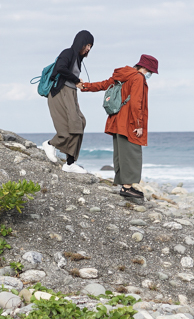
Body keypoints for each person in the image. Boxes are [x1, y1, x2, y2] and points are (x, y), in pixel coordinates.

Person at [80, 54, 159, 199]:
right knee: (132, 154)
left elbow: (103, 85)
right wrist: (138, 124)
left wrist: (85, 86)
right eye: (151, 72)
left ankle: (124, 185)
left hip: (116, 121)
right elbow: (136, 103)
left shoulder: (123, 75)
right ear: (145, 68)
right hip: (129, 123)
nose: (150, 74)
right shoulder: (138, 78)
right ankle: (127, 188)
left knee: (121, 154)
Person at [41, 30, 94, 173]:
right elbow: (60, 68)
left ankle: (70, 163)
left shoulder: (78, 58)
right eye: (87, 45)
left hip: (71, 94)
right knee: (66, 129)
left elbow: (70, 76)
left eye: (91, 46)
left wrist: (77, 82)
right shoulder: (68, 53)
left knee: (80, 122)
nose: (89, 49)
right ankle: (50, 144)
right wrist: (76, 80)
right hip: (59, 93)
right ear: (80, 42)